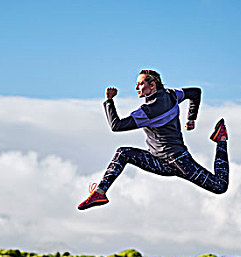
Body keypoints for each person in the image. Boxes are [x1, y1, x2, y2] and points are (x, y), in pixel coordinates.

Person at [77, 69, 229, 210]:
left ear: (152, 85)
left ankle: (221, 139)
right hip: (161, 161)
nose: (137, 88)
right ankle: (99, 193)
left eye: (140, 84)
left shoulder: (147, 112)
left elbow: (116, 125)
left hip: (178, 161)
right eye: (136, 84)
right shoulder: (172, 95)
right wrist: (191, 118)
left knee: (220, 186)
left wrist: (109, 101)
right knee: (123, 152)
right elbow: (195, 92)